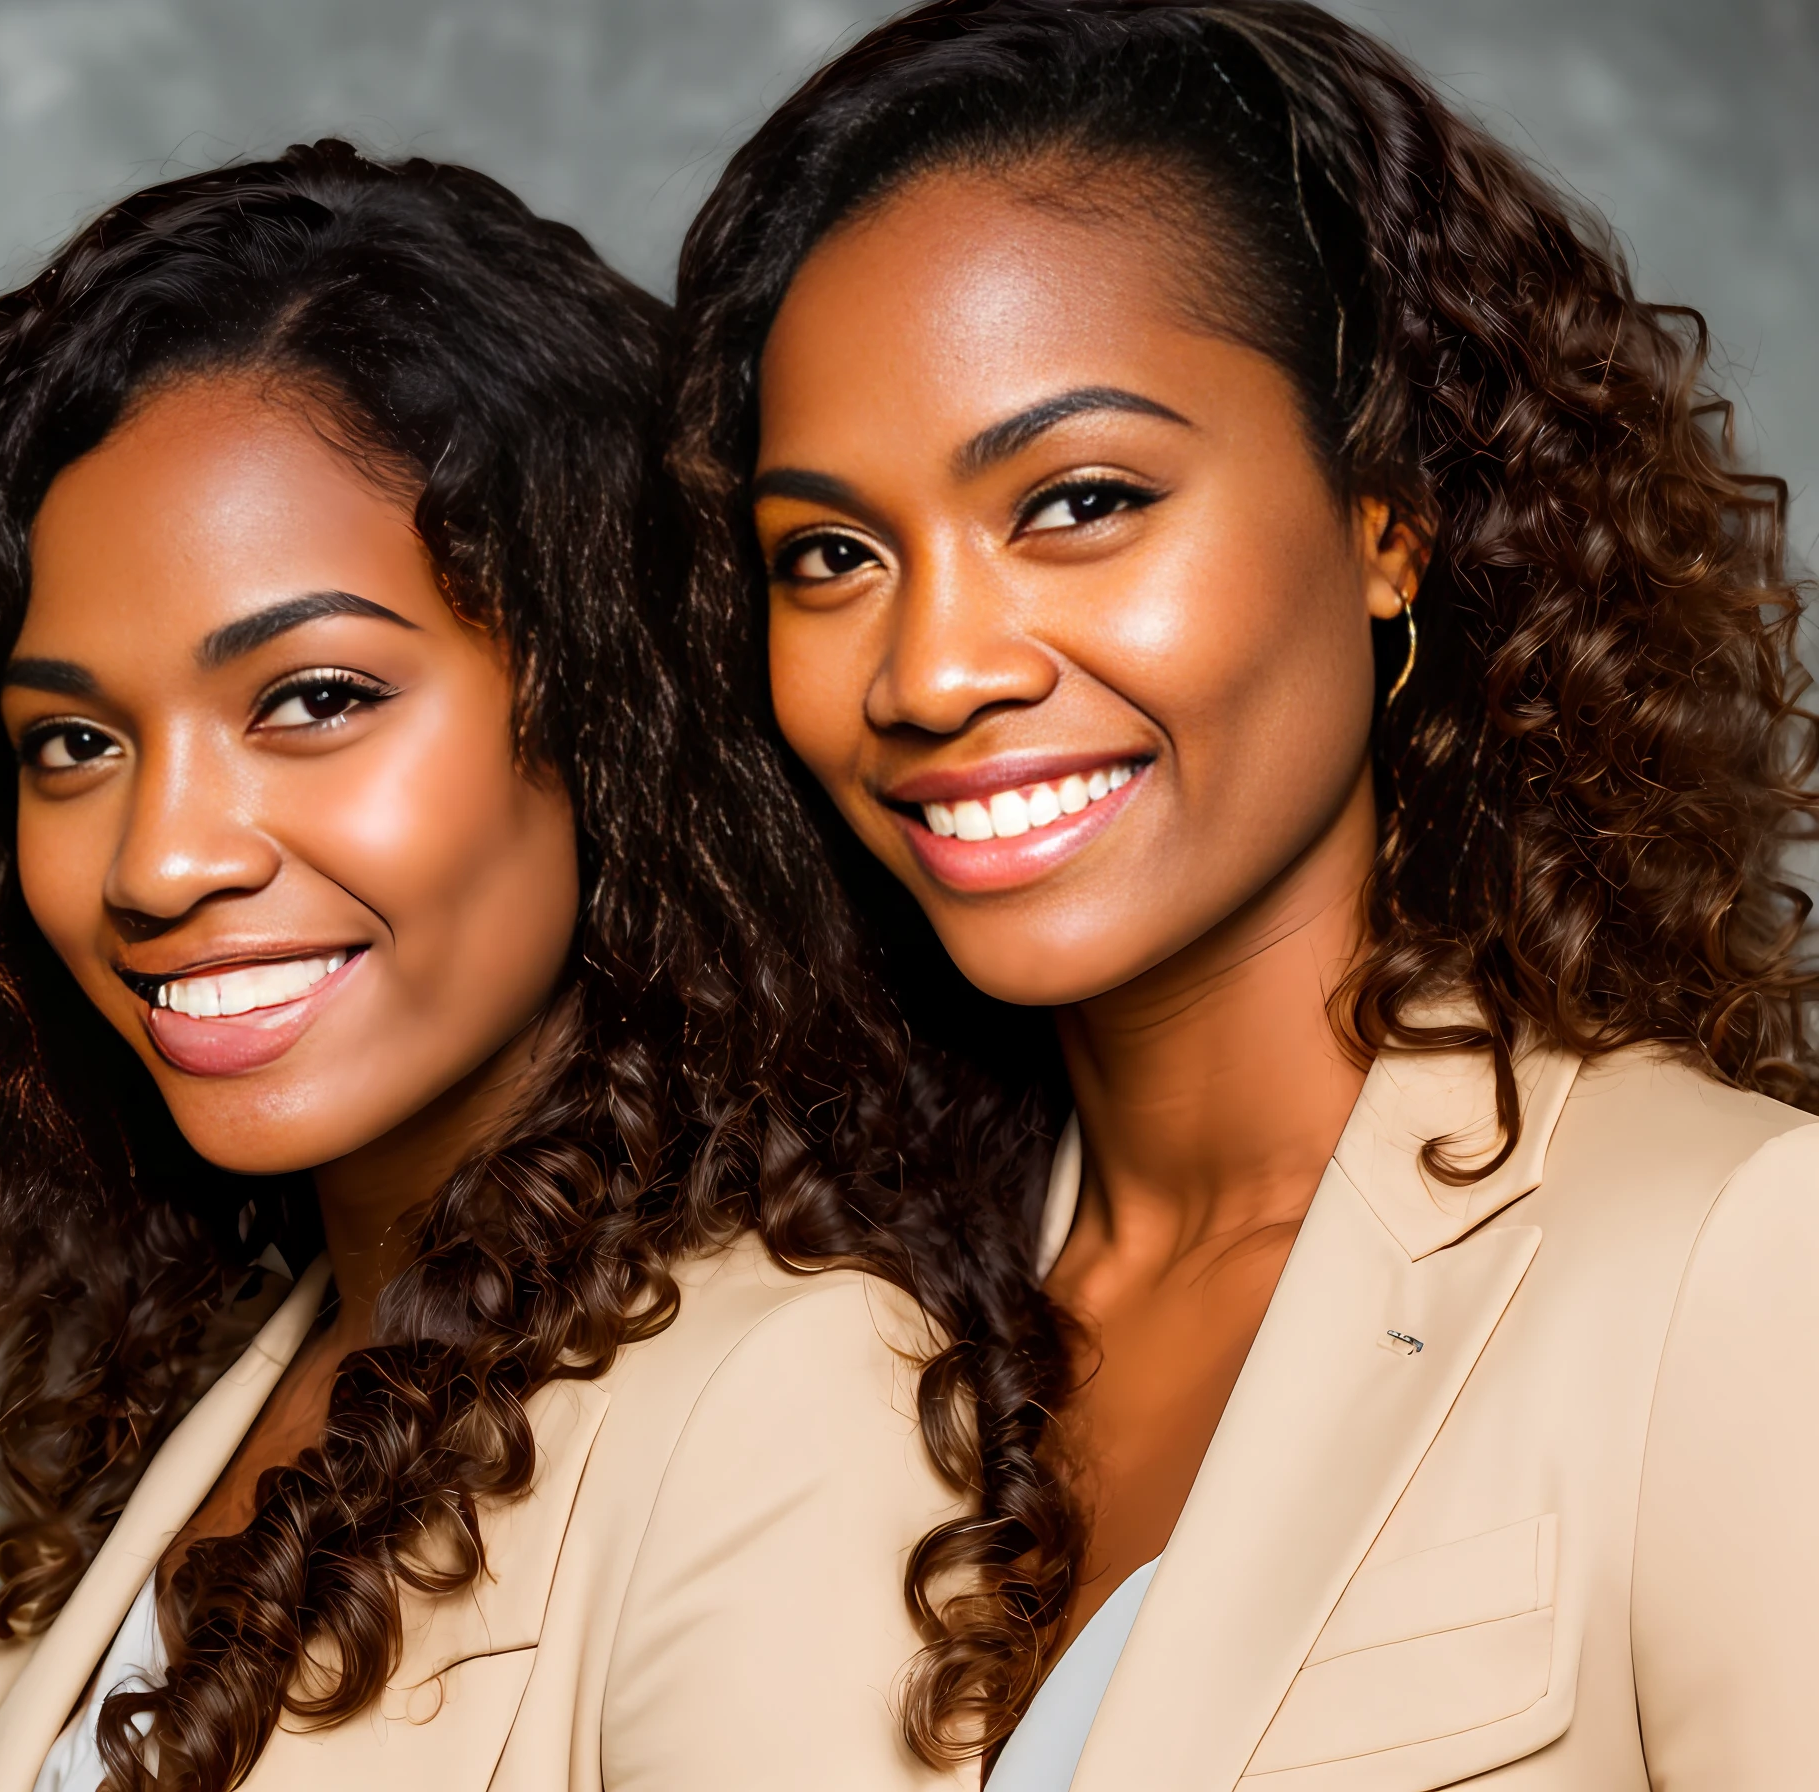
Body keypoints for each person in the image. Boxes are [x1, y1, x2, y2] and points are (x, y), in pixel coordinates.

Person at [0, 141, 1066, 1792]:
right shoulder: (255, 1365)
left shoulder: (783, 1407)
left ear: (615, 725)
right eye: (76, 740)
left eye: (316, 696)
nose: (163, 857)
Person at [666, 2, 1819, 1784]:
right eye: (832, 553)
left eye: (1080, 500)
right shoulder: (821, 1322)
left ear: (1388, 515)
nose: (931, 670)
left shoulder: (1729, 1258)